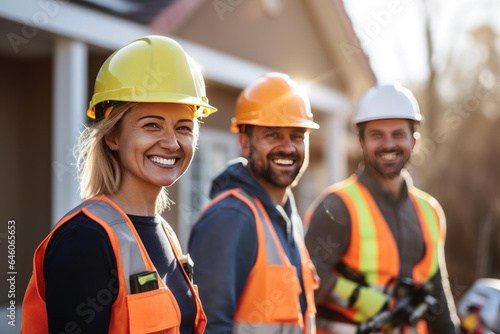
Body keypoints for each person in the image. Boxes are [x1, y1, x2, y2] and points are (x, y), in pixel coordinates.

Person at [21, 35, 216, 333]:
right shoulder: (85, 240)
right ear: (112, 136)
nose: (171, 142)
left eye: (184, 128)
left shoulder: (165, 235)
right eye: (152, 124)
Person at [304, 82, 460, 334]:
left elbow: (438, 296)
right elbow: (306, 281)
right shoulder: (337, 205)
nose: (388, 144)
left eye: (398, 134)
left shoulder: (430, 211)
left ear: (415, 141)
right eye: (377, 135)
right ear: (361, 143)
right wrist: (358, 298)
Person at [188, 72, 320, 333]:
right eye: (272, 135)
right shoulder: (231, 217)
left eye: (297, 135)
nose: (288, 148)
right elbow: (211, 324)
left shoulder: (288, 216)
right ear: (245, 144)